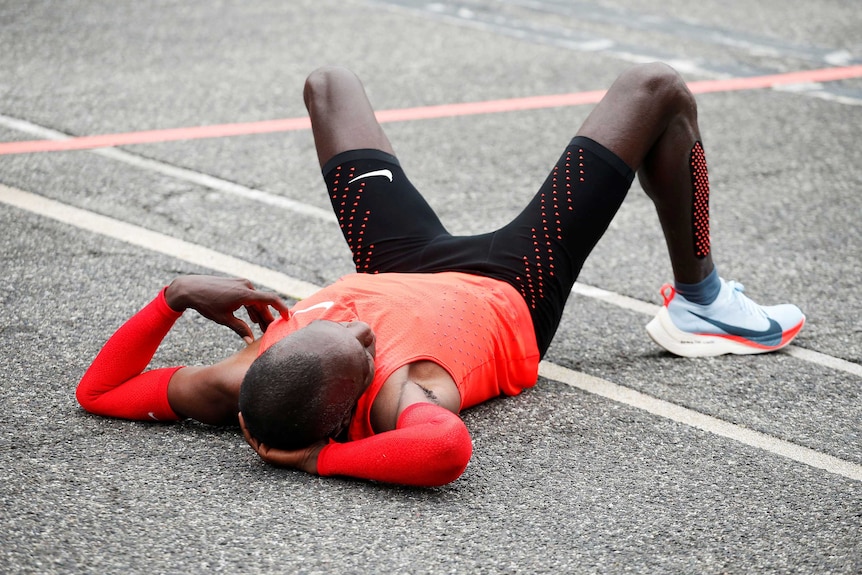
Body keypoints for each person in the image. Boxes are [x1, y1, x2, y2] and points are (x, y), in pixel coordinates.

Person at [76, 63, 805, 487]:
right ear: (354, 399)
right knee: (657, 91)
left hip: (399, 262)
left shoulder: (239, 382)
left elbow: (98, 390)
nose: (357, 324)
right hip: (511, 284)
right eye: (360, 349)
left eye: (326, 324)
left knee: (328, 86)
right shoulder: (403, 400)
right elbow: (446, 452)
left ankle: (704, 297)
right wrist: (320, 460)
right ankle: (703, 301)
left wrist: (173, 296)